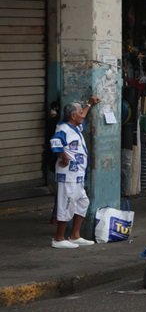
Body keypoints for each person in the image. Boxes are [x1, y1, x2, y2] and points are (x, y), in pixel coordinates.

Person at [48, 97, 101, 248]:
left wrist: (89, 104)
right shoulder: (63, 128)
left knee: (83, 202)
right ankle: (58, 238)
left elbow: (83, 115)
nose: (82, 115)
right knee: (66, 204)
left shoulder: (75, 126)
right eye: (80, 112)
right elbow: (55, 142)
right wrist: (63, 155)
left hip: (77, 174)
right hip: (68, 175)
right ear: (73, 116)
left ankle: (74, 235)